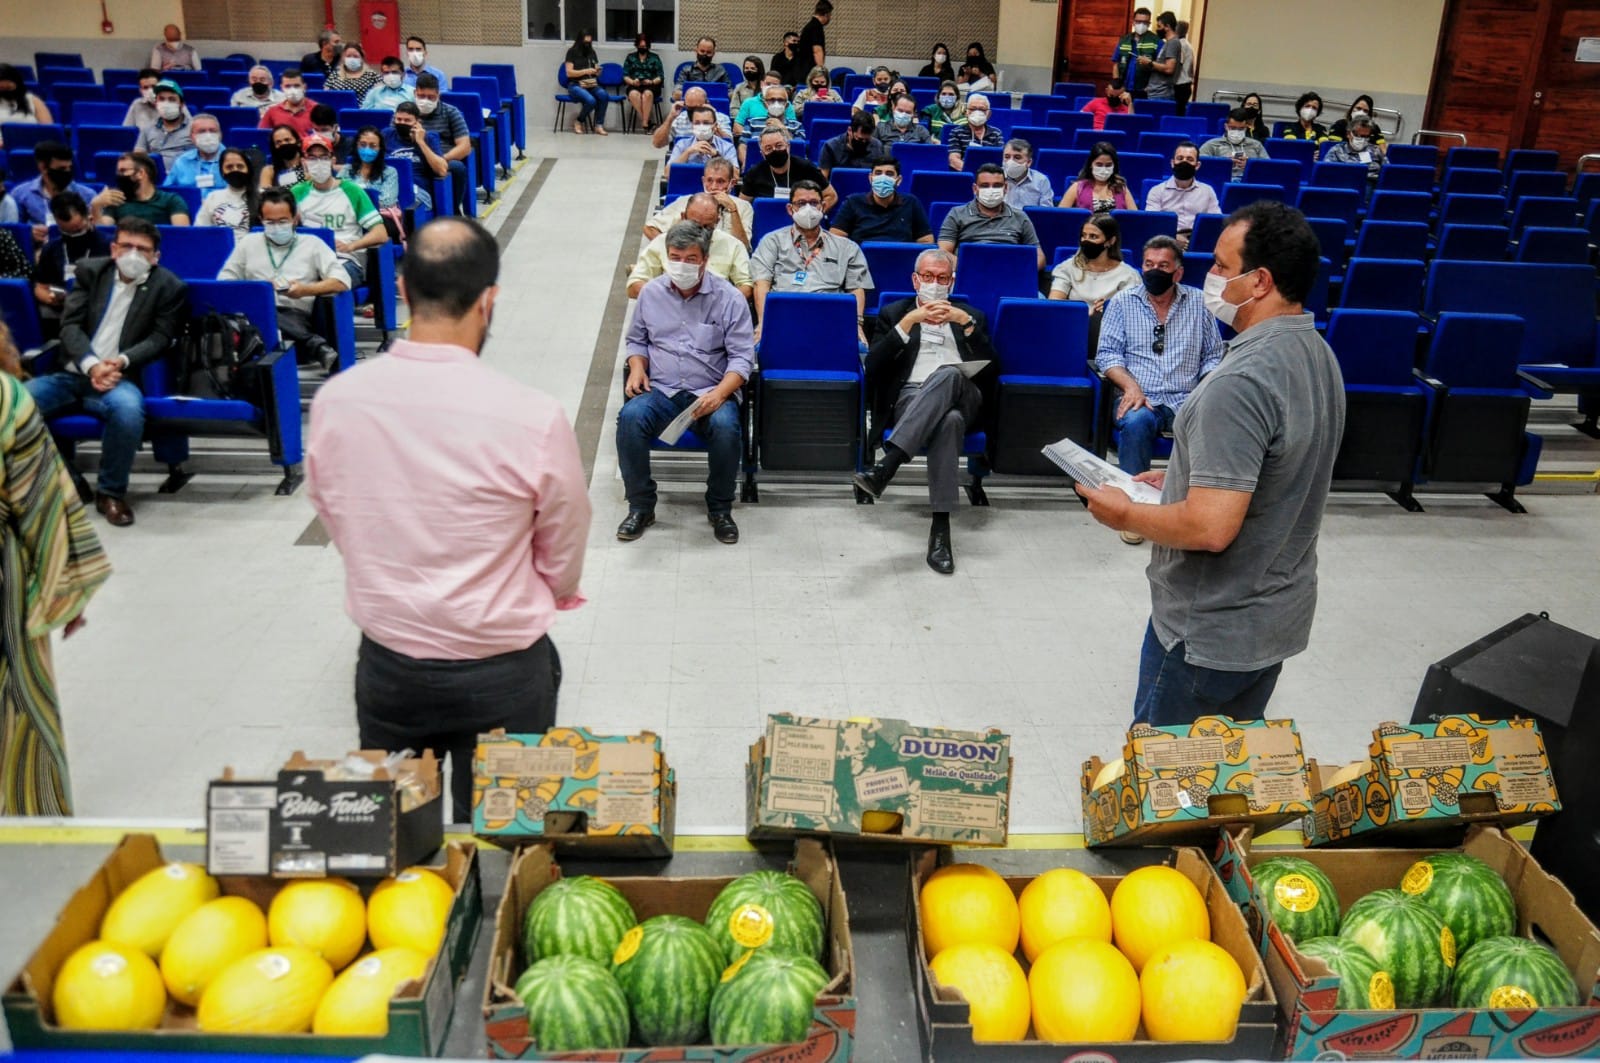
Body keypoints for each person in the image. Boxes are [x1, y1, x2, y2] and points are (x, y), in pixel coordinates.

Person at [307, 216, 589, 822]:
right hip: (505, 672)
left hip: (390, 668)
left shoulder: (338, 400)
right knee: (505, 834)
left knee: (398, 837)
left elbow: (333, 512)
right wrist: (550, 591)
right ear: (490, 298)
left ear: (403, 290)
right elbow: (564, 536)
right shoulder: (531, 416)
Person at [1076, 202, 1345, 725]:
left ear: (1260, 280)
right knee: (1220, 781)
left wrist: (1123, 514)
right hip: (1273, 616)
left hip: (1207, 629)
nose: (1211, 277)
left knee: (1163, 784)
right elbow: (1275, 466)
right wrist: (1181, 472)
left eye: (1222, 266)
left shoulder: (1240, 380)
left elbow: (1210, 526)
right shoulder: (1315, 352)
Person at [0, 317, 112, 816]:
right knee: (19, 700)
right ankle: (31, 824)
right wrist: (62, 587)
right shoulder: (8, 399)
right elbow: (40, 504)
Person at [27, 217, 187, 527]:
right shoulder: (91, 272)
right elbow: (69, 326)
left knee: (128, 413)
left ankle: (111, 493)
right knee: (14, 408)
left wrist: (121, 362)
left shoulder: (169, 286)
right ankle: (67, 480)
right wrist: (92, 365)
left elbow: (159, 338)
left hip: (120, 378)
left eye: (143, 250)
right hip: (73, 372)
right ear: (113, 248)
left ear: (156, 256)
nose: (133, 254)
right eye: (127, 246)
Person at [855, 247, 997, 574]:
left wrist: (968, 326)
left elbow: (992, 372)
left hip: (965, 393)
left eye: (942, 278)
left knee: (948, 373)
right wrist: (907, 324)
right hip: (911, 397)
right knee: (948, 422)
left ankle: (887, 466)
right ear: (915, 280)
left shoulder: (970, 315)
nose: (935, 283)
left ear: (952, 281)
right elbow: (873, 368)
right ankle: (940, 531)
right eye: (929, 277)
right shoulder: (895, 312)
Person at [617, 220, 754, 546]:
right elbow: (636, 341)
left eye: (690, 259)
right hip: (661, 389)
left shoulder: (729, 298)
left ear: (704, 260)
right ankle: (641, 505)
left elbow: (742, 359)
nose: (681, 265)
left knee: (725, 428)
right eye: (675, 257)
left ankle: (720, 508)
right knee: (630, 419)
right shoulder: (650, 293)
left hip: (709, 391)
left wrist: (720, 394)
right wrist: (637, 367)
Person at [1096, 235, 1223, 543]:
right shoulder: (1124, 302)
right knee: (1137, 421)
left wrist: (1206, 389)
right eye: (1149, 265)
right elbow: (1107, 355)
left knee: (1213, 422)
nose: (1154, 271)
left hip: (1186, 398)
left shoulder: (1199, 302)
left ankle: (1192, 506)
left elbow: (1214, 356)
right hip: (1142, 396)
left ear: (1177, 272)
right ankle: (1133, 508)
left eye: (1163, 266)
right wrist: (1131, 386)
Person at [218, 186, 349, 373]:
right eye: (270, 222)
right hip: (252, 314)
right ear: (261, 220)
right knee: (250, 316)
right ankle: (314, 344)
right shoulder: (248, 243)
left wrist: (304, 290)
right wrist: (258, 289)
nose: (276, 227)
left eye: (282, 221)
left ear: (295, 219)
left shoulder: (313, 244)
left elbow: (342, 280)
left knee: (273, 319)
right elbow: (224, 281)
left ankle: (308, 342)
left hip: (294, 315)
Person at [750, 181, 871, 343]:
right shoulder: (772, 241)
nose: (808, 209)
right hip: (784, 318)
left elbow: (856, 288)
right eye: (801, 203)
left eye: (813, 203)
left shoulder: (847, 247)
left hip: (830, 319)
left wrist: (856, 324)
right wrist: (764, 322)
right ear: (790, 209)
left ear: (823, 206)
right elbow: (761, 283)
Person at [293, 134, 388, 287]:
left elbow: (380, 233)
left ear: (333, 160)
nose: (318, 162)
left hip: (345, 259)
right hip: (308, 259)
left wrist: (351, 246)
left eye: (324, 157)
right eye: (312, 158)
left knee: (325, 279)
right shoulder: (296, 192)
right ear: (304, 162)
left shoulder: (352, 190)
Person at [1048, 212, 1140, 354]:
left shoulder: (1128, 275)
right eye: (1084, 235)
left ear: (1110, 241)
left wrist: (1110, 309)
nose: (1086, 241)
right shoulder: (1068, 267)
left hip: (1109, 336)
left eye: (1093, 237)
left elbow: (1131, 316)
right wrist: (1086, 313)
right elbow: (1054, 305)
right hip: (1070, 329)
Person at [628, 194, 751, 298]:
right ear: (683, 217)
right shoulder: (662, 242)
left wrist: (725, 303)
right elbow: (634, 286)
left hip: (714, 313)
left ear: (717, 222)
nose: (701, 232)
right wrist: (663, 300)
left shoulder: (733, 245)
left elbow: (746, 285)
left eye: (707, 227)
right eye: (695, 224)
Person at [31, 192, 110, 338]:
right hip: (62, 309)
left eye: (79, 229)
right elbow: (40, 287)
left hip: (97, 307)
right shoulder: (52, 248)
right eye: (67, 231)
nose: (74, 234)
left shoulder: (107, 246)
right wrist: (50, 298)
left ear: (88, 217)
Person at [938, 164, 1045, 270]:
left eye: (997, 185)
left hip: (1009, 273)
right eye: (985, 185)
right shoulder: (957, 213)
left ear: (1006, 188)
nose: (991, 190)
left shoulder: (1020, 217)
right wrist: (969, 268)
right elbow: (943, 252)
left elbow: (1039, 257)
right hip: (968, 272)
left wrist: (1020, 271)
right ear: (975, 189)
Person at [644, 157, 752, 245]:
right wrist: (671, 251)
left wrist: (733, 210)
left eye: (720, 181)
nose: (714, 187)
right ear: (703, 181)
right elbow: (650, 228)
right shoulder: (686, 201)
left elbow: (744, 247)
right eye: (709, 180)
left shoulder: (743, 207)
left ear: (732, 183)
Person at [830, 158, 932, 244]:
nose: (883, 178)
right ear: (871, 178)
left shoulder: (911, 202)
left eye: (889, 174)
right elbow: (836, 237)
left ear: (898, 180)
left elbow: (926, 241)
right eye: (878, 173)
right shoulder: (853, 201)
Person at [10, 142, 98, 242]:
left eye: (70, 168)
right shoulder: (20, 194)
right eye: (62, 169)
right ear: (43, 167)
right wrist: (28, 234)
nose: (67, 172)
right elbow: (13, 231)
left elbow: (97, 233)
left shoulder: (87, 195)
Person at [414, 74, 474, 214]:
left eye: (431, 97)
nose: (425, 101)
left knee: (457, 167)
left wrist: (441, 159)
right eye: (421, 96)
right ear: (414, 93)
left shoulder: (451, 112)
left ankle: (452, 210)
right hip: (415, 159)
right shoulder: (406, 113)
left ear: (438, 95)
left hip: (443, 158)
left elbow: (465, 147)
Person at [1145, 141, 1219, 246]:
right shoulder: (1157, 191)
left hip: (1199, 242)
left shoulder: (1208, 191)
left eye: (1189, 159)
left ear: (1197, 165)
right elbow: (1152, 223)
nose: (1184, 162)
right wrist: (1172, 237)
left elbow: (1215, 222)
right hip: (1166, 242)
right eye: (1180, 158)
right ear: (1172, 163)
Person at [740, 128, 834, 209]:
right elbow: (742, 205)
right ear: (762, 154)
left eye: (779, 145)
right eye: (768, 148)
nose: (774, 150)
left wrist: (816, 215)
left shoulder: (807, 168)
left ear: (788, 146)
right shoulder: (754, 173)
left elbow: (831, 195)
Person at [92, 153, 191, 226]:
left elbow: (181, 235)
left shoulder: (172, 200)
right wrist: (96, 206)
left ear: (140, 173)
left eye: (123, 171)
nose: (119, 176)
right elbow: (104, 233)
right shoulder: (117, 200)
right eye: (118, 171)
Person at [384, 103, 449, 212]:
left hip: (416, 190)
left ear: (417, 122)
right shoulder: (387, 134)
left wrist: (421, 142)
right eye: (399, 119)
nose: (402, 123)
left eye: (407, 120)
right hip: (389, 186)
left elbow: (442, 171)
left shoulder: (429, 138)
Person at [195, 148, 258, 240]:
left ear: (248, 169)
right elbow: (199, 231)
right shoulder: (213, 197)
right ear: (222, 172)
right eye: (229, 167)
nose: (235, 170)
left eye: (240, 166)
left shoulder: (262, 197)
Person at [1061, 142, 1138, 212]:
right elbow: (1060, 216)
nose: (1103, 169)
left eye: (1108, 165)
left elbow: (1135, 218)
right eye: (1099, 164)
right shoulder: (1078, 187)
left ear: (1114, 166)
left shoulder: (1121, 187)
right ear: (1091, 164)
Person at [133, 81, 193, 165]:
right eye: (161, 99)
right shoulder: (147, 128)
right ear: (156, 103)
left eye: (172, 99)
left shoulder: (194, 127)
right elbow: (138, 158)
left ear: (181, 104)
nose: (166, 103)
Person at [652, 86, 732, 149]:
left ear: (707, 103)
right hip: (685, 160)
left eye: (697, 108)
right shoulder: (680, 119)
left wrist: (713, 122)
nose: (694, 112)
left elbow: (729, 145)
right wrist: (670, 118)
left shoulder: (721, 118)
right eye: (690, 108)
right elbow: (657, 143)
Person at [1201, 108, 1270, 181]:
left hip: (1250, 183)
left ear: (1246, 128)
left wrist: (1251, 166)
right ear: (1226, 126)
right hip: (1221, 181)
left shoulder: (1256, 145)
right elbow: (1201, 166)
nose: (1237, 131)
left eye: (1241, 129)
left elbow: (1268, 168)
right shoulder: (1212, 144)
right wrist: (1224, 164)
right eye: (1233, 128)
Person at [564, 28, 609, 136]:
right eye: (585, 42)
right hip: (575, 84)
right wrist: (585, 71)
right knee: (591, 100)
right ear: (580, 40)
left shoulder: (592, 52)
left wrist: (598, 71)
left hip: (590, 83)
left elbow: (595, 67)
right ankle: (579, 121)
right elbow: (569, 73)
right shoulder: (572, 52)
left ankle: (599, 125)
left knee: (603, 95)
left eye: (589, 42)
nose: (587, 44)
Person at [162, 112, 224, 189]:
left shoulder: (233, 160)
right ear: (191, 137)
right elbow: (168, 191)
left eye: (212, 131)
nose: (208, 135)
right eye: (202, 131)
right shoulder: (182, 161)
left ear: (220, 135)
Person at [819, 112, 892, 178]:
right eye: (860, 139)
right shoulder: (831, 147)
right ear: (850, 130)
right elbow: (823, 179)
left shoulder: (877, 146)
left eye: (867, 140)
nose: (863, 142)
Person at [1324, 114, 1386, 189]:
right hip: (1344, 188)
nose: (1362, 139)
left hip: (1371, 188)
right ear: (1348, 134)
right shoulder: (1336, 150)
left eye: (1366, 136)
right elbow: (1326, 175)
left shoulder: (1376, 151)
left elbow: (1388, 173)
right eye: (1358, 135)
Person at [736, 79, 797, 152]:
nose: (776, 103)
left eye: (780, 100)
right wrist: (745, 162)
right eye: (772, 100)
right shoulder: (752, 123)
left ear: (786, 105)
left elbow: (798, 150)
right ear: (765, 104)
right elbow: (742, 147)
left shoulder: (796, 126)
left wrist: (783, 128)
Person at [670, 106, 738, 171]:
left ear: (715, 126)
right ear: (692, 125)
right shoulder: (682, 144)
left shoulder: (727, 147)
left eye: (706, 123)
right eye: (697, 123)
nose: (701, 126)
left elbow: (735, 176)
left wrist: (717, 156)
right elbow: (667, 174)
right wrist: (687, 152)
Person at [946, 93, 1003, 171]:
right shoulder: (956, 132)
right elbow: (954, 160)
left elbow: (1000, 160)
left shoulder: (996, 133)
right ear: (966, 112)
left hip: (990, 176)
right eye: (973, 109)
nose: (977, 112)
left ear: (988, 114)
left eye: (982, 109)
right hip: (965, 174)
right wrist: (975, 174)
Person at [1112, 8, 1159, 97]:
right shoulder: (1124, 40)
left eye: (1145, 22)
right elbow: (1116, 63)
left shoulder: (1156, 41)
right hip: (1123, 89)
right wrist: (1116, 83)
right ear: (1133, 22)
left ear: (1149, 24)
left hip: (1145, 90)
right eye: (1138, 21)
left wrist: (1150, 86)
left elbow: (1160, 68)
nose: (1141, 24)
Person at [349, 127, 399, 210]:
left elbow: (388, 202)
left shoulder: (389, 172)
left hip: (377, 216)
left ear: (380, 148)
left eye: (373, 146)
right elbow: (338, 197)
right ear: (356, 146)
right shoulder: (346, 170)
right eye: (363, 145)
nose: (367, 149)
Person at [623, 35, 665, 132]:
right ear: (637, 46)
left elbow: (661, 76)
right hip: (635, 85)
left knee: (647, 94)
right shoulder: (630, 57)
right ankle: (647, 123)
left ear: (648, 46)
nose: (643, 48)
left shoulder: (655, 58)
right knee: (633, 95)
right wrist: (632, 81)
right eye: (641, 46)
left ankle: (645, 123)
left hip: (651, 85)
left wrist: (651, 81)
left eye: (645, 46)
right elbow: (625, 76)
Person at [0, 65, 52, 138]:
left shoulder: (33, 100)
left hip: (31, 143)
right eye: (1, 88)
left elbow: (48, 129)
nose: (5, 92)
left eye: (9, 88)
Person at [259, 69, 315, 136]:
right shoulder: (272, 111)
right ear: (282, 88)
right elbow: (261, 136)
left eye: (296, 86)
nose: (293, 90)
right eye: (287, 86)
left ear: (304, 87)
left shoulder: (316, 110)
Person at [1002, 139, 1054, 208]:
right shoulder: (994, 177)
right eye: (1007, 157)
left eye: (1017, 157)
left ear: (1028, 162)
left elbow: (1046, 212)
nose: (1010, 161)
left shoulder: (1041, 180)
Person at [1145, 13, 1180, 101]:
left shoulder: (1173, 43)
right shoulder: (1167, 43)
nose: (1157, 29)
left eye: (1159, 26)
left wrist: (1149, 63)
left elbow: (1169, 68)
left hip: (1162, 94)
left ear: (1167, 26)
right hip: (1156, 92)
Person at [799, 1, 832, 71]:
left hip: (803, 67)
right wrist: (820, 70)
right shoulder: (816, 27)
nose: (830, 18)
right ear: (826, 15)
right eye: (830, 15)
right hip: (809, 69)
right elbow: (817, 51)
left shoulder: (810, 25)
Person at [1174, 21, 1196, 115]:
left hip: (1180, 85)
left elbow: (1178, 64)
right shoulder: (1188, 45)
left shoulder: (1180, 45)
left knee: (1177, 113)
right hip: (1186, 84)